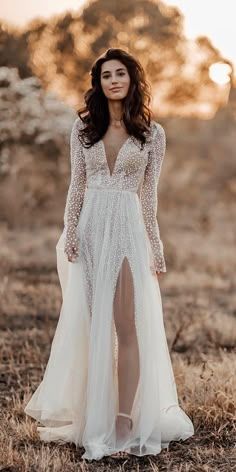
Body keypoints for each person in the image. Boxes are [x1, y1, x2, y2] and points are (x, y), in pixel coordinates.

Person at [24, 47, 194, 461]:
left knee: (127, 324)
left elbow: (148, 197)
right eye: (106, 75)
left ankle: (122, 421)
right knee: (91, 323)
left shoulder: (153, 134)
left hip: (128, 229)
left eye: (121, 73)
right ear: (98, 83)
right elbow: (76, 186)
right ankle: (92, 416)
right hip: (90, 229)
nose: (113, 80)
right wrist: (70, 233)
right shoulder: (83, 128)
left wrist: (155, 245)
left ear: (133, 80)